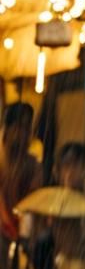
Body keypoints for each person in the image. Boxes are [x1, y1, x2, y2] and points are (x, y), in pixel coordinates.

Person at [0, 102, 41, 242]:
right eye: (19, 126)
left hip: (22, 235)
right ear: (8, 129)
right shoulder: (2, 161)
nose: (24, 133)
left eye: (27, 127)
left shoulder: (33, 164)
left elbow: (33, 201)